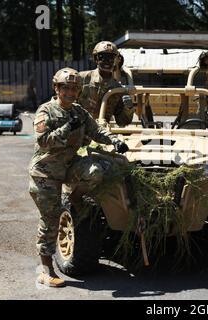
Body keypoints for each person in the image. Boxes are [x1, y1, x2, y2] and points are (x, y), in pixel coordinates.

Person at [29, 67, 129, 287]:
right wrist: (67, 127)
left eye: (74, 89)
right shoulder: (46, 111)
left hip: (68, 165)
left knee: (96, 170)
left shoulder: (79, 111)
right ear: (56, 88)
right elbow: (43, 141)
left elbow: (96, 131)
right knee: (51, 218)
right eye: (65, 88)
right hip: (46, 172)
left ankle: (75, 197)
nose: (70, 93)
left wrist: (114, 141)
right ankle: (46, 269)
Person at [79, 41, 134, 126]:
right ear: (96, 59)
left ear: (115, 60)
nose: (107, 62)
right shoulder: (82, 78)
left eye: (111, 58)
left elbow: (123, 122)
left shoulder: (117, 89)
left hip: (101, 132)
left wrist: (128, 108)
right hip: (79, 130)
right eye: (102, 57)